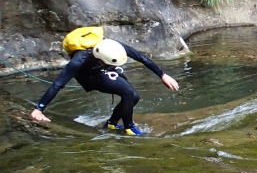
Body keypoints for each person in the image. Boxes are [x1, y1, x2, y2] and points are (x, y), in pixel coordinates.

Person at [29, 37, 180, 135]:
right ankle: (129, 128)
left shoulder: (113, 46)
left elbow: (142, 58)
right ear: (101, 60)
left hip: (103, 69)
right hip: (89, 76)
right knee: (128, 92)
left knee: (134, 96)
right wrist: (39, 109)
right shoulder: (78, 61)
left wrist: (162, 74)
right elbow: (58, 84)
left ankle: (111, 124)